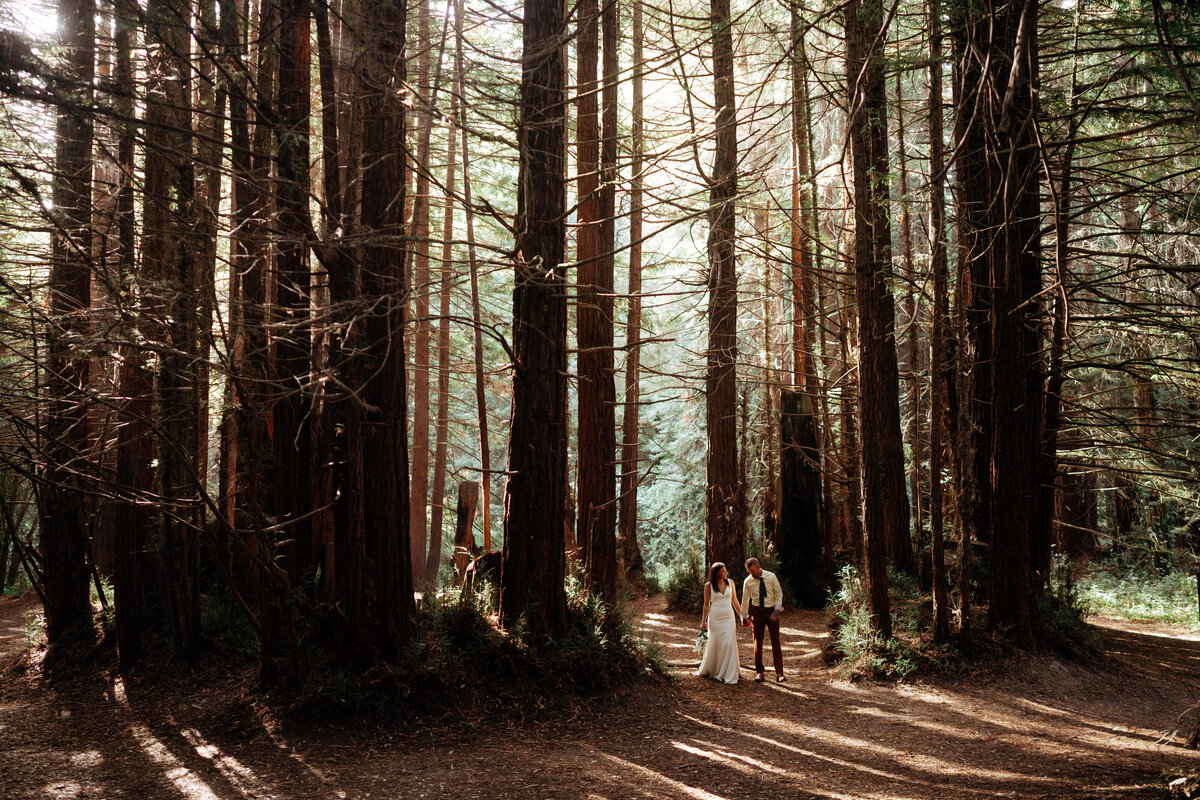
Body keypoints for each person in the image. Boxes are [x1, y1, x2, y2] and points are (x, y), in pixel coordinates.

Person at [696, 562, 743, 684]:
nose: (725, 573)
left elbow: (735, 601)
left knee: (729, 643)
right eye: (722, 571)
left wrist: (742, 616)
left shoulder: (730, 583)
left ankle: (729, 672)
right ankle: (716, 669)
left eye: (725, 570)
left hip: (728, 617)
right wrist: (703, 622)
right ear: (716, 573)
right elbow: (706, 605)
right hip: (715, 618)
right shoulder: (709, 586)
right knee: (717, 644)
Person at [741, 557, 785, 682]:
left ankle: (780, 673)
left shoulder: (771, 577)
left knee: (775, 642)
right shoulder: (748, 581)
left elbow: (779, 594)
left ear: (758, 567)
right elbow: (745, 600)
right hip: (757, 612)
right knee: (757, 643)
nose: (752, 574)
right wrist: (744, 617)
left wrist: (776, 611)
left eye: (753, 571)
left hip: (771, 611)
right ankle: (759, 672)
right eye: (750, 572)